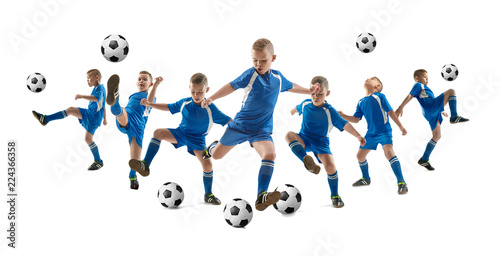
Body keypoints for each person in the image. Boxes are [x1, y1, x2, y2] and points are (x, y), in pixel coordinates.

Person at [201, 38, 319, 211]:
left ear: (273, 58)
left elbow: (291, 85)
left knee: (270, 154)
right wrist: (211, 98)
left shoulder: (278, 78)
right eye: (255, 60)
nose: (258, 64)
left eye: (263, 60)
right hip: (239, 126)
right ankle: (212, 147)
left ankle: (261, 195)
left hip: (261, 130)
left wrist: (308, 91)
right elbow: (231, 86)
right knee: (217, 155)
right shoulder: (251, 74)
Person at [129, 73, 232, 205]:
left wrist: (242, 127)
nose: (196, 95)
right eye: (193, 91)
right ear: (189, 88)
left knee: (208, 165)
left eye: (200, 92)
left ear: (207, 90)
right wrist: (150, 104)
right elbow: (169, 107)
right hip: (181, 133)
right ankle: (145, 164)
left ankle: (208, 194)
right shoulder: (185, 102)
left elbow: (228, 120)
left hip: (198, 140)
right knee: (158, 133)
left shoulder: (211, 109)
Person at [285, 76, 366, 207]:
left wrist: (358, 136)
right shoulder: (306, 104)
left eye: (320, 94)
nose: (315, 97)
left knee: (330, 167)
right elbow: (297, 107)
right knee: (289, 135)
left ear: (327, 93)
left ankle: (335, 195)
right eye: (313, 93)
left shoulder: (330, 111)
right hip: (304, 138)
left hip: (321, 143)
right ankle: (307, 160)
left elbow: (345, 124)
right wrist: (293, 111)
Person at [338, 77, 408, 194]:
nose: (367, 78)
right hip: (370, 134)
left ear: (377, 86)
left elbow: (390, 112)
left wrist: (400, 126)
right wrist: (343, 115)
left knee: (388, 152)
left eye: (371, 79)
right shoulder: (361, 102)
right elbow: (356, 119)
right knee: (360, 156)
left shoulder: (380, 96)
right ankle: (366, 178)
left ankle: (401, 182)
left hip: (384, 131)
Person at [32, 69, 107, 170]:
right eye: (87, 79)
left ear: (96, 77)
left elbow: (96, 98)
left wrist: (81, 96)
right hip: (90, 114)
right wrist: (105, 119)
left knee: (88, 139)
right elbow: (103, 105)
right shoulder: (96, 88)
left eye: (89, 78)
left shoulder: (100, 88)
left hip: (93, 118)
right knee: (71, 110)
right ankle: (45, 119)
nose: (87, 81)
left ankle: (98, 161)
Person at [395, 69, 469, 170]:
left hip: (431, 112)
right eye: (425, 77)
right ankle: (454, 116)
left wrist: (441, 111)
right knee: (451, 91)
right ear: (417, 78)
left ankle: (424, 159)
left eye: (428, 78)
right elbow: (410, 96)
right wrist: (400, 107)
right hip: (430, 107)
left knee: (437, 136)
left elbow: (428, 98)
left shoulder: (425, 88)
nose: (427, 80)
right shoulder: (418, 85)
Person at [106, 71, 162, 188]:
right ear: (137, 83)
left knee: (135, 162)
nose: (141, 81)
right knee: (119, 111)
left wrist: (156, 85)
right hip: (127, 117)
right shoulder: (134, 95)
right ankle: (114, 97)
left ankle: (132, 176)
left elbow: (150, 102)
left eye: (145, 79)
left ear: (150, 84)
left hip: (138, 127)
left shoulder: (151, 97)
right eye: (139, 79)